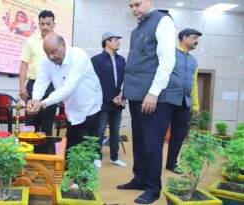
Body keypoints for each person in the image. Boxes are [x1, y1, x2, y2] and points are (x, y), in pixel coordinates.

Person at [116, 0, 176, 204]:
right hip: (135, 96)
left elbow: (167, 60)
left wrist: (153, 92)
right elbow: (135, 64)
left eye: (137, 4)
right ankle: (140, 179)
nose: (134, 9)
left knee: (152, 145)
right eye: (130, 6)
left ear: (150, 1)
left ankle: (153, 188)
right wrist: (125, 91)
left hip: (153, 99)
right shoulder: (137, 30)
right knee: (140, 143)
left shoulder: (163, 22)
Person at [26, 32, 102, 155]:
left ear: (63, 45)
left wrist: (43, 103)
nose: (51, 57)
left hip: (89, 109)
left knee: (85, 155)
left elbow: (69, 87)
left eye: (53, 51)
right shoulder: (48, 60)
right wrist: (35, 98)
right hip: (71, 111)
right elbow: (42, 80)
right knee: (69, 151)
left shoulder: (78, 55)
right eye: (47, 53)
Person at [161, 28, 202, 174]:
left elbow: (194, 83)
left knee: (178, 135)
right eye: (193, 37)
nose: (196, 40)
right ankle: (152, 165)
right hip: (166, 100)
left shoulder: (193, 60)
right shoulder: (170, 54)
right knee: (159, 134)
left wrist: (195, 103)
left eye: (197, 38)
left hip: (185, 103)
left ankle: (172, 163)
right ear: (184, 38)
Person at [91, 31, 127, 168]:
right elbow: (97, 82)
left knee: (115, 131)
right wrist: (111, 97)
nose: (118, 42)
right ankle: (96, 157)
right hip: (103, 101)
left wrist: (122, 96)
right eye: (115, 39)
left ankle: (114, 157)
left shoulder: (121, 60)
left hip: (118, 101)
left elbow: (125, 80)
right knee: (99, 130)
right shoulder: (96, 60)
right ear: (107, 42)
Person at [19, 10, 57, 136]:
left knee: (47, 125)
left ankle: (45, 154)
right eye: (42, 24)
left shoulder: (60, 42)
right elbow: (24, 63)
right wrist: (22, 86)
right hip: (32, 85)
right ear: (39, 24)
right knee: (30, 124)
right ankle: (30, 153)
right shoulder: (31, 41)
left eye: (48, 24)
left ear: (53, 25)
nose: (45, 26)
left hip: (52, 86)